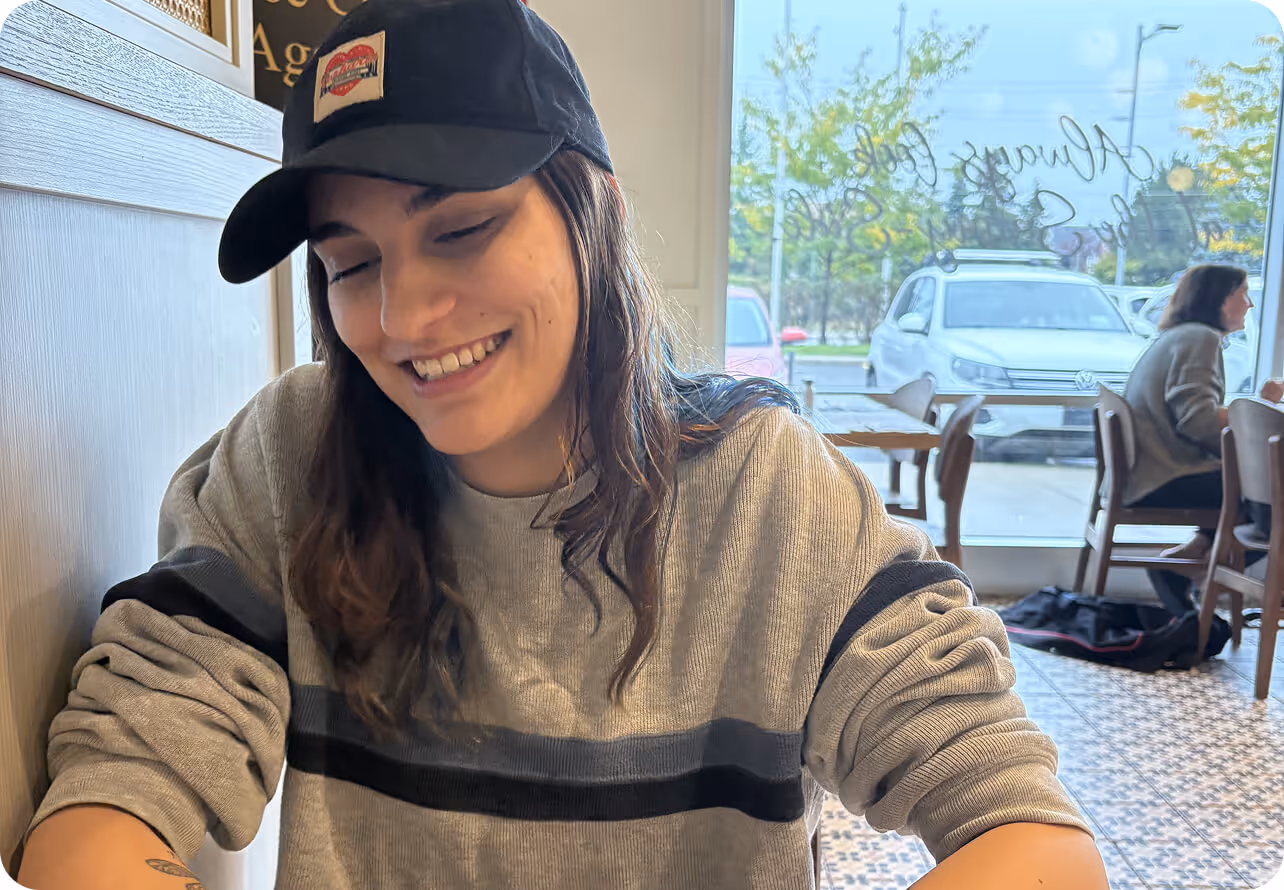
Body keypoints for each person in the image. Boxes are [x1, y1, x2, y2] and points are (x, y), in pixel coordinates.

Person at [16, 1, 1105, 887]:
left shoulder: (768, 494)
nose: (403, 317)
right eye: (352, 262)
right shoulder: (289, 458)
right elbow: (98, 818)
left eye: (461, 229)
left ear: (596, 217)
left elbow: (1036, 839)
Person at [1122, 265, 1274, 613]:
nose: (1249, 305)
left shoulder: (1180, 336)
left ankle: (1186, 560)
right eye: (1243, 295)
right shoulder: (1200, 338)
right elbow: (1199, 422)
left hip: (1149, 472)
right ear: (1221, 301)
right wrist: (1259, 411)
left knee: (1261, 494)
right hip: (1166, 476)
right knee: (1272, 493)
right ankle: (1210, 573)